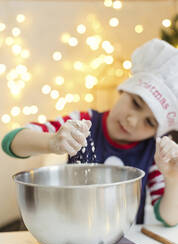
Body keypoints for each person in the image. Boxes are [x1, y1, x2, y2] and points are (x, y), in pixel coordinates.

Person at [2, 38, 178, 226]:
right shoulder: (82, 123)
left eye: (149, 122)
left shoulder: (152, 152)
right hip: (74, 234)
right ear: (123, 90)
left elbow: (169, 218)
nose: (133, 120)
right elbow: (11, 142)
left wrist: (172, 177)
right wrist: (52, 142)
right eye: (135, 103)